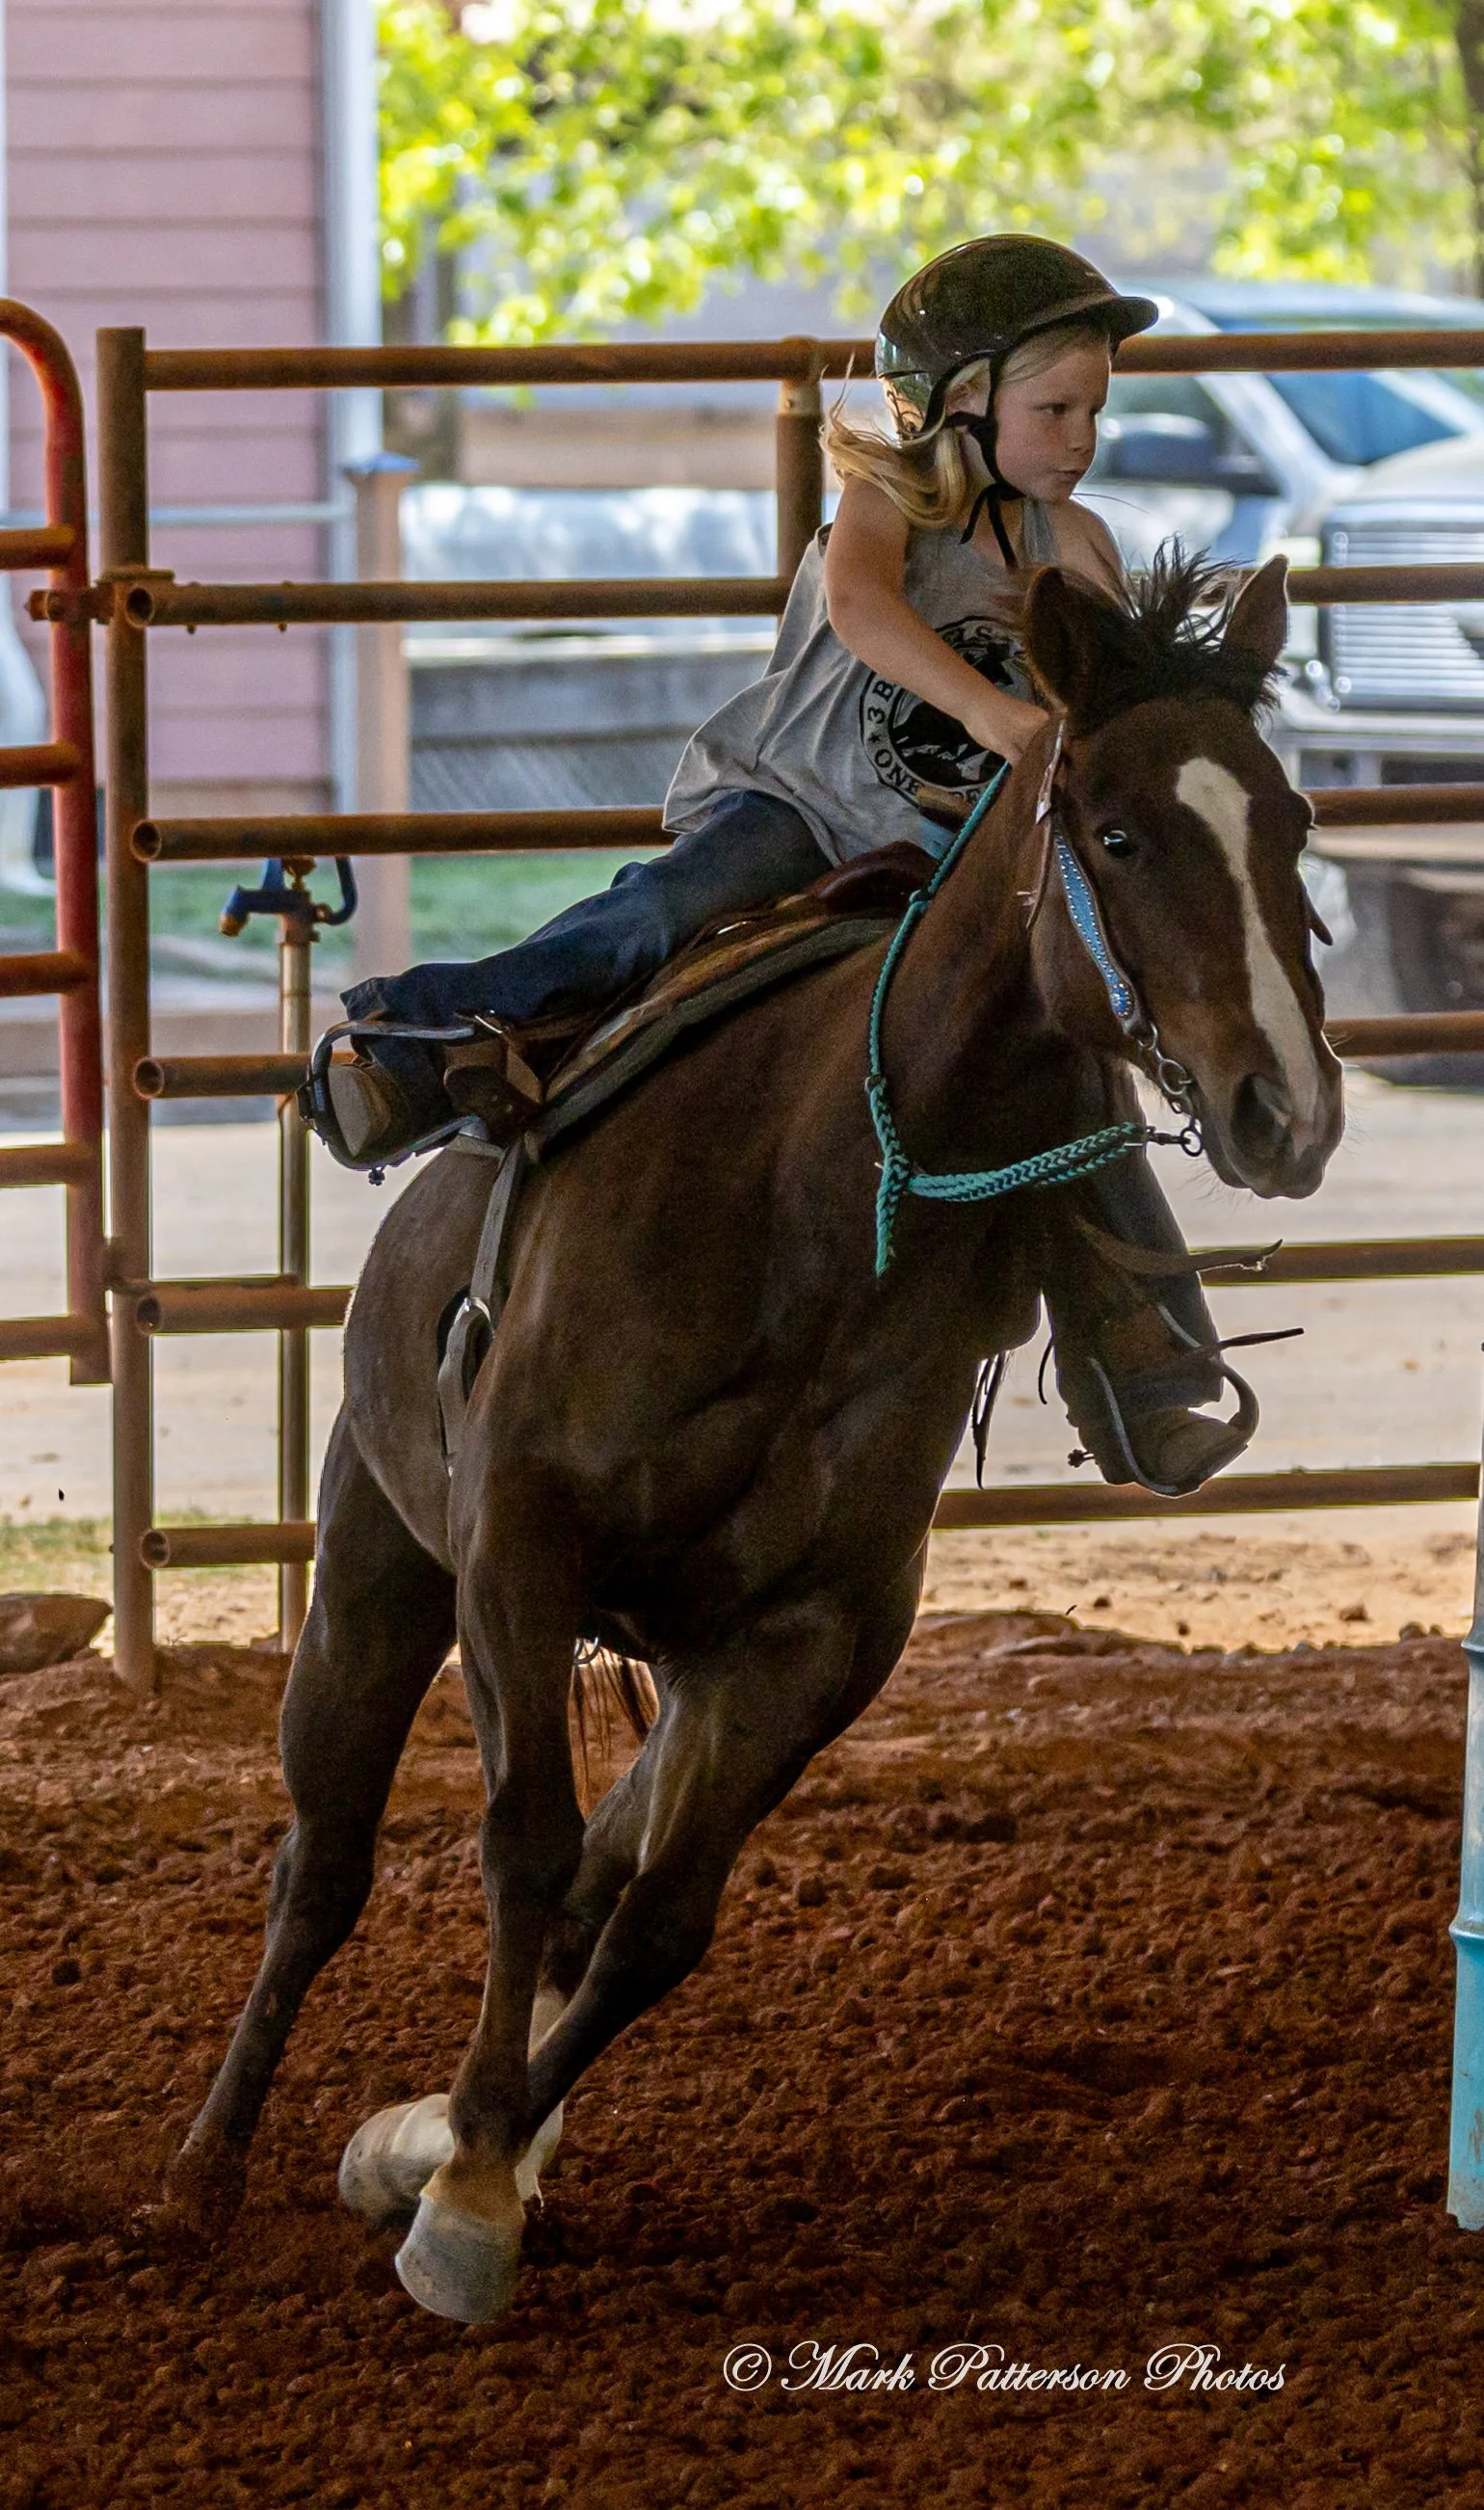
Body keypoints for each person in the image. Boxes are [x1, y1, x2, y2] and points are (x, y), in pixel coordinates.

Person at [305, 234, 1251, 1494]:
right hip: (803, 808)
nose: (1081, 436)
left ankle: (1146, 1363)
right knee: (663, 916)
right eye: (1054, 408)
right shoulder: (888, 505)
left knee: (1074, 1064)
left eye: (1094, 410)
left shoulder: (1075, 548)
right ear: (956, 405)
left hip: (958, 865)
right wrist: (992, 712)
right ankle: (432, 1043)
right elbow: (864, 613)